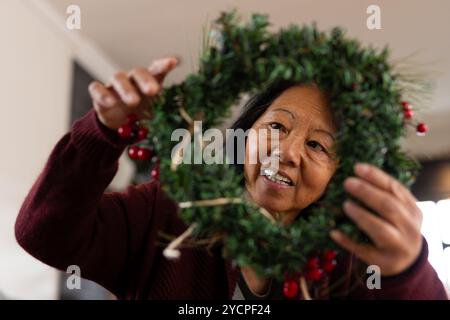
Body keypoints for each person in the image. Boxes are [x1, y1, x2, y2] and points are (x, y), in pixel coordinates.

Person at [15, 57, 447, 299]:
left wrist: (405, 269)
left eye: (318, 146)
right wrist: (104, 133)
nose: (288, 152)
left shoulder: (347, 263)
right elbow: (44, 233)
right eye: (276, 127)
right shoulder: (169, 214)